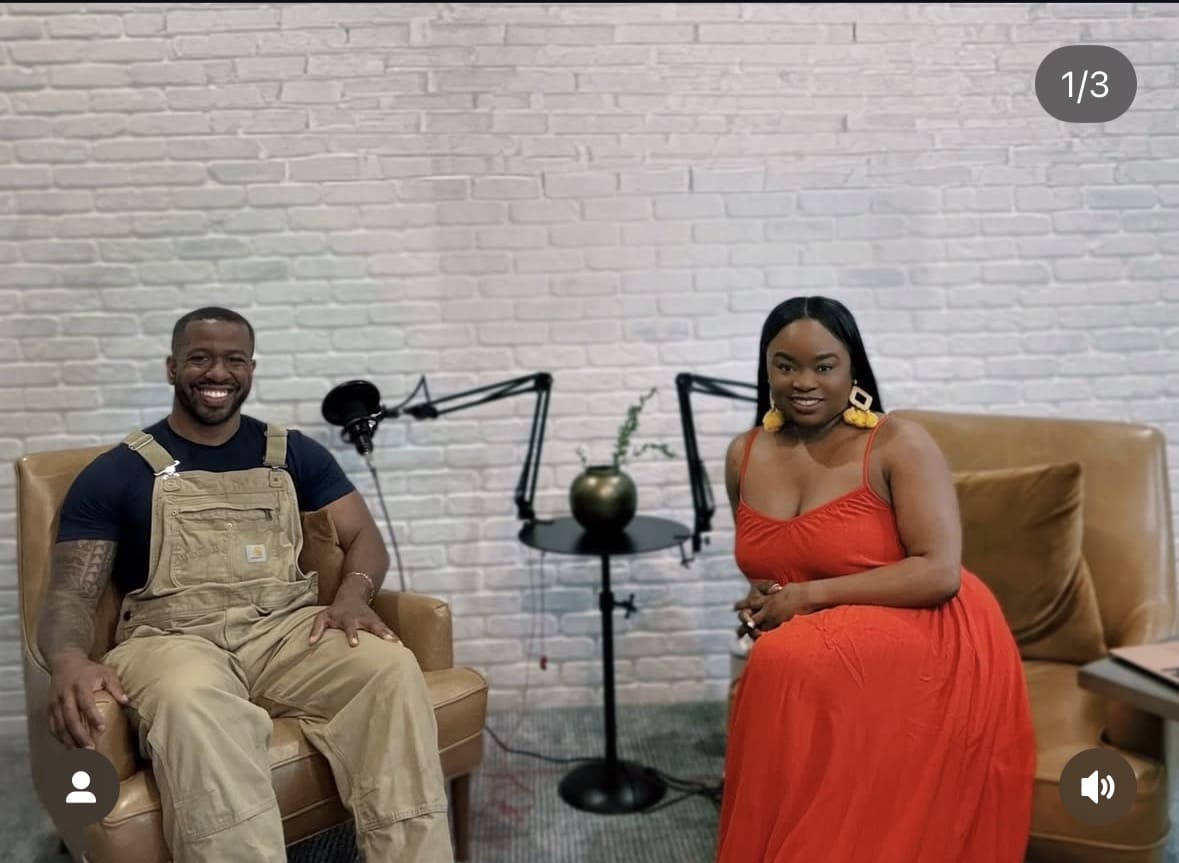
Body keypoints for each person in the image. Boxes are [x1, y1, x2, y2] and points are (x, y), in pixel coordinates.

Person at [38, 306, 452, 863]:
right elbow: (70, 592)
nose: (217, 373)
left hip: (284, 631)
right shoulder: (117, 472)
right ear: (172, 368)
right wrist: (67, 657)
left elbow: (364, 537)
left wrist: (353, 595)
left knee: (389, 668)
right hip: (172, 640)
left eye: (234, 360)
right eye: (199, 358)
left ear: (251, 369)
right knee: (192, 700)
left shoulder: (292, 454)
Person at [715, 297, 1035, 863]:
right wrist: (765, 600)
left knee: (782, 663)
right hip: (821, 639)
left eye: (824, 366)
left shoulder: (897, 444)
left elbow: (939, 573)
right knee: (785, 662)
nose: (803, 382)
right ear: (765, 368)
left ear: (853, 368)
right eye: (785, 366)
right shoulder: (744, 454)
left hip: (929, 626)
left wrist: (807, 598)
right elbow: (773, 567)